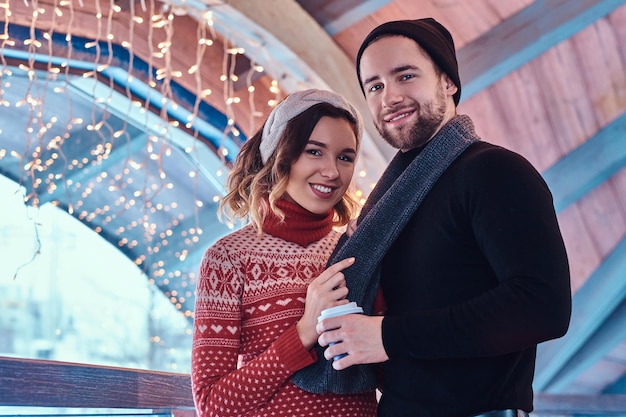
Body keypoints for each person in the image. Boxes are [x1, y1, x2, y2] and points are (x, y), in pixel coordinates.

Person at [314, 18, 572, 417]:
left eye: (405, 76)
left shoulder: (494, 172)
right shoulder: (392, 202)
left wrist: (387, 335)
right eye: (375, 86)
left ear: (448, 82)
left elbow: (543, 306)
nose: (390, 96)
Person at [190, 89, 378, 417]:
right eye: (314, 152)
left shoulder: (355, 248)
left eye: (345, 157)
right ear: (281, 154)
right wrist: (306, 330)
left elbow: (394, 372)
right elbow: (212, 405)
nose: (332, 171)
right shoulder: (229, 259)